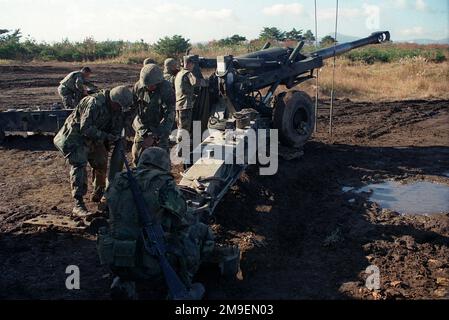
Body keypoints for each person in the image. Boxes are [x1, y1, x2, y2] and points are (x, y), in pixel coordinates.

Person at [98, 147, 219, 300]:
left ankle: (124, 282)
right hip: (150, 263)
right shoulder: (162, 182)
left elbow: (111, 212)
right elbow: (182, 214)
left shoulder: (118, 180)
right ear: (164, 164)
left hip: (116, 259)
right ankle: (183, 287)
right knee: (197, 230)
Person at [53, 86, 133, 217]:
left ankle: (99, 192)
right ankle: (78, 204)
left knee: (101, 162)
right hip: (76, 137)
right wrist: (107, 136)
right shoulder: (94, 103)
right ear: (114, 102)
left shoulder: (117, 107)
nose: (120, 110)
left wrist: (117, 135)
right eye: (119, 107)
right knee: (79, 165)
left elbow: (117, 125)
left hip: (95, 138)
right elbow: (85, 129)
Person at [131, 64, 175, 165]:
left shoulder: (166, 89)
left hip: (160, 128)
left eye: (151, 85)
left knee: (162, 161)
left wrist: (155, 135)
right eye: (146, 85)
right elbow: (133, 112)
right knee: (137, 159)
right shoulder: (138, 87)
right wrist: (144, 133)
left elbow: (170, 115)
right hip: (142, 127)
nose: (148, 87)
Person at [174, 55, 208, 143]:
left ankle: (181, 145)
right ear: (189, 64)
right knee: (184, 128)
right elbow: (196, 82)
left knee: (180, 127)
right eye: (193, 64)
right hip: (185, 105)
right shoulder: (188, 73)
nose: (193, 66)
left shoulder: (179, 74)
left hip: (179, 104)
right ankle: (181, 149)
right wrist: (208, 81)